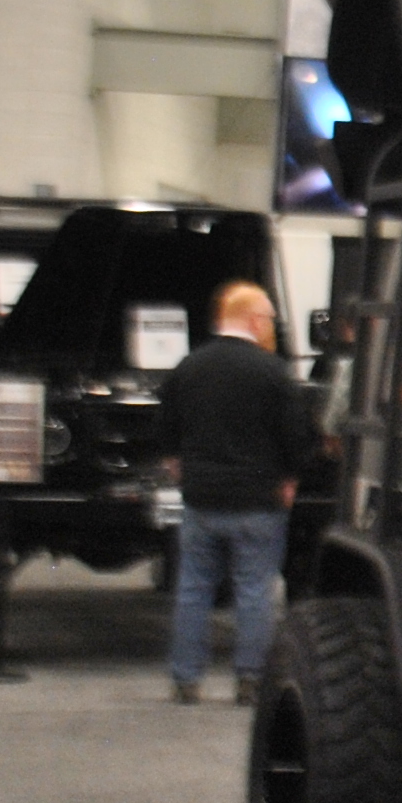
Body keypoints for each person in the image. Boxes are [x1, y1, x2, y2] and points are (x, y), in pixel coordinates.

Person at [158, 282, 311, 706]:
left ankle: (186, 679)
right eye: (268, 318)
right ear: (254, 320)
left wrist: (178, 464)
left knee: (193, 589)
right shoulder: (273, 372)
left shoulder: (189, 367)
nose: (270, 325)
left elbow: (167, 427)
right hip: (258, 502)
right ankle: (250, 679)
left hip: (201, 499)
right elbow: (295, 434)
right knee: (255, 593)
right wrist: (291, 476)